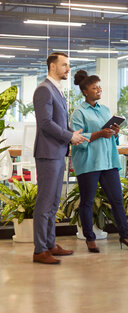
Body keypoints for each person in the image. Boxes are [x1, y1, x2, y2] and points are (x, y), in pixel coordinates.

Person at [71, 70, 128, 252]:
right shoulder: (78, 113)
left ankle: (126, 236)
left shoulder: (105, 110)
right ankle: (90, 238)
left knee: (117, 200)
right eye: (95, 88)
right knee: (87, 202)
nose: (99, 90)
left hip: (108, 161)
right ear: (85, 91)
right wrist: (99, 133)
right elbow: (77, 140)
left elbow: (111, 139)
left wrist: (114, 133)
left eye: (99, 87)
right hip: (89, 163)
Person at [32, 52, 88, 264]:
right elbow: (45, 123)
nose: (68, 69)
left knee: (54, 202)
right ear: (52, 67)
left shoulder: (56, 90)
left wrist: (73, 134)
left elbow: (59, 123)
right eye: (64, 65)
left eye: (68, 65)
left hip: (57, 151)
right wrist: (69, 136)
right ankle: (39, 250)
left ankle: (49, 244)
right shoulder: (44, 90)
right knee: (45, 203)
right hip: (47, 153)